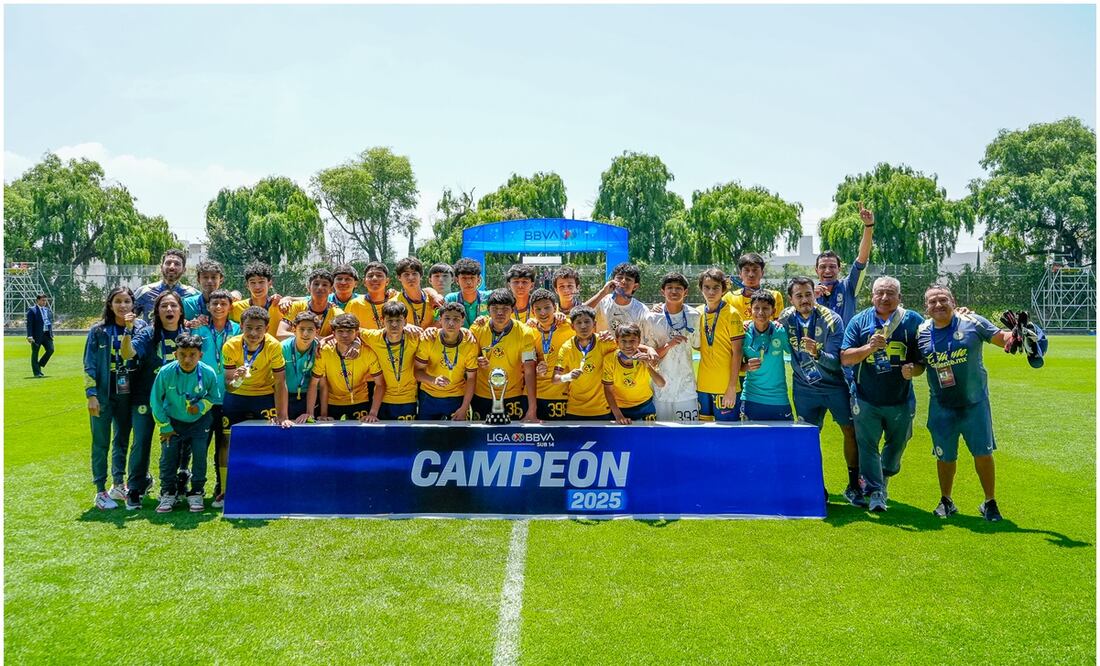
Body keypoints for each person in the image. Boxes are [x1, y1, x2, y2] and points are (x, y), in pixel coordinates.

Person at [917, 285, 1015, 522]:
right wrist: (913, 369)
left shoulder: (972, 321)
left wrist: (1016, 334)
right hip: (941, 405)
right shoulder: (920, 331)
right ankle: (946, 500)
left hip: (974, 404)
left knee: (982, 453)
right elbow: (920, 362)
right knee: (945, 456)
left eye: (943, 300)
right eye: (933, 302)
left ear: (953, 301)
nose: (938, 305)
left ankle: (990, 502)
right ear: (926, 307)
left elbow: (1003, 340)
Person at [841, 276, 925, 512]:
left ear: (900, 297)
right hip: (866, 397)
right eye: (880, 293)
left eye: (890, 293)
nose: (885, 298)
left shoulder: (913, 321)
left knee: (898, 443)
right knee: (867, 445)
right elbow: (845, 358)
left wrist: (914, 370)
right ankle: (877, 491)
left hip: (900, 398)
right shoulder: (859, 321)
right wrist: (869, 347)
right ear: (872, 296)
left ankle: (883, 475)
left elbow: (922, 360)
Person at [779, 277, 862, 504]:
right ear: (791, 299)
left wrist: (817, 354)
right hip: (804, 388)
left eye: (808, 294)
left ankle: (854, 485)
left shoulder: (832, 319)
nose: (805, 299)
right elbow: (765, 326)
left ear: (814, 294)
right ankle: (816, 486)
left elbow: (837, 362)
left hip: (835, 385)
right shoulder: (784, 319)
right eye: (799, 296)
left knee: (850, 431)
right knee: (808, 436)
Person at [220, 306, 294, 507]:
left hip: (263, 396)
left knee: (270, 439)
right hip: (237, 397)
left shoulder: (274, 346)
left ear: (267, 328)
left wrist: (283, 415)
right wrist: (236, 380)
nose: (253, 333)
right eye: (249, 328)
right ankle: (226, 489)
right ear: (241, 326)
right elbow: (229, 386)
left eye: (259, 328)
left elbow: (280, 383)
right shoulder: (230, 345)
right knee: (227, 441)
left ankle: (270, 484)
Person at [83, 287, 146, 509]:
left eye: (127, 301)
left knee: (122, 439)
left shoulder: (140, 328)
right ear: (110, 305)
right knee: (100, 441)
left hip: (127, 392)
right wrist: (91, 395)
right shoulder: (99, 331)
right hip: (103, 392)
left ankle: (118, 484)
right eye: (117, 301)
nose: (122, 306)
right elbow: (89, 364)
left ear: (133, 305)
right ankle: (100, 490)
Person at [149, 333, 222, 513]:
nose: (187, 359)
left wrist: (200, 406)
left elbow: (214, 396)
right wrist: (165, 426)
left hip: (199, 422)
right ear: (175, 354)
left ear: (200, 355)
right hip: (172, 422)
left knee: (199, 456)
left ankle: (196, 491)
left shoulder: (207, 372)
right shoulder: (165, 373)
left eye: (192, 355)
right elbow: (155, 401)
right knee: (168, 456)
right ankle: (168, 492)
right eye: (182, 354)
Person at [127, 290, 186, 510]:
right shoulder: (147, 333)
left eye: (173, 306)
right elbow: (129, 353)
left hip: (176, 401)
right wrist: (127, 333)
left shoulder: (186, 334)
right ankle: (135, 487)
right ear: (156, 311)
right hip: (146, 397)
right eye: (164, 306)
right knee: (141, 442)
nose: (169, 310)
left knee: (175, 445)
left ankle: (174, 485)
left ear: (180, 310)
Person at [191, 289, 240, 506]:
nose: (219, 307)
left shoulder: (239, 329)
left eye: (223, 304)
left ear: (230, 306)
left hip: (230, 396)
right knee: (200, 444)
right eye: (214, 304)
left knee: (225, 444)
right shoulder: (198, 330)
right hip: (205, 397)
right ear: (208, 307)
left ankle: (223, 488)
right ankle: (196, 489)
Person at [470, 289, 539, 422]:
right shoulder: (477, 329)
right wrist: (477, 359)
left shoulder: (526, 333)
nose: (500, 313)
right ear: (488, 310)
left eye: (505, 308)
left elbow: (529, 371)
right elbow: (469, 360)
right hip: (482, 394)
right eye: (495, 308)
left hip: (513, 394)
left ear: (513, 310)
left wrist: (532, 408)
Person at [644, 272, 702, 422]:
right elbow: (650, 355)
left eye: (678, 288)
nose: (674, 291)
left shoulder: (694, 315)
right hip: (661, 388)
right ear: (662, 291)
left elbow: (698, 345)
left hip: (686, 387)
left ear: (686, 292)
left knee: (688, 433)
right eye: (669, 288)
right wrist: (668, 345)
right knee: (660, 434)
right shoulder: (652, 318)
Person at [310, 313, 384, 422]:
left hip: (360, 402)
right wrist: (323, 413)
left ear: (356, 333)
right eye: (340, 331)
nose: (345, 335)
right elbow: (315, 383)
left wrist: (372, 413)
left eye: (349, 331)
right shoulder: (324, 351)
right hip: (332, 403)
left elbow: (380, 384)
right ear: (333, 333)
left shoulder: (368, 352)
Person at [414, 302, 479, 420]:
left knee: (456, 437)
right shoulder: (429, 338)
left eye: (456, 319)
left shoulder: (469, 342)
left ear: (463, 321)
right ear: (440, 319)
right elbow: (417, 372)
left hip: (456, 397)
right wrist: (433, 380)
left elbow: (471, 378)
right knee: (425, 436)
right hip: (428, 396)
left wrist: (464, 408)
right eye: (447, 318)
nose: (451, 323)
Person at [695, 268, 745, 422]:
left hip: (726, 388)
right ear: (700, 288)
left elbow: (737, 353)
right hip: (703, 386)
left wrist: (731, 388)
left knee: (727, 437)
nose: (711, 292)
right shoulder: (696, 313)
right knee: (703, 434)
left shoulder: (732, 314)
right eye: (707, 287)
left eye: (716, 287)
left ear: (723, 289)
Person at [359, 301, 421, 420]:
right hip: (382, 399)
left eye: (398, 320)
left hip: (408, 399)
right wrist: (331, 338)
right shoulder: (374, 337)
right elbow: (350, 330)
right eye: (389, 320)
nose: (394, 324)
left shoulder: (415, 337)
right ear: (382, 321)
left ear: (405, 321)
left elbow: (436, 335)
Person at [553, 306, 617, 421]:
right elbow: (555, 379)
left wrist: (648, 350)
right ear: (572, 326)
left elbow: (627, 351)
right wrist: (568, 376)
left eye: (587, 321)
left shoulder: (605, 342)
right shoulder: (567, 347)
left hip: (602, 409)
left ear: (594, 324)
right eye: (579, 322)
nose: (583, 326)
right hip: (574, 410)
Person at [816, 202, 875, 324]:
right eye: (823, 267)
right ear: (816, 270)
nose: (827, 270)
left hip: (845, 343)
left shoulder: (848, 286)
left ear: (839, 269)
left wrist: (868, 226)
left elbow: (862, 258)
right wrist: (811, 297)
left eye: (832, 266)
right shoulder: (810, 293)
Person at [740, 292, 794, 421]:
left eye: (765, 308)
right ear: (749, 310)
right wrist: (747, 366)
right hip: (751, 397)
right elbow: (736, 365)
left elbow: (795, 353)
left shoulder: (780, 331)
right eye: (756, 308)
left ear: (773, 311)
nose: (760, 312)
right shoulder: (743, 332)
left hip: (779, 398)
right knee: (750, 440)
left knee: (782, 440)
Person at [603, 323, 666, 424]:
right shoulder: (610, 359)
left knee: (648, 438)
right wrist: (618, 415)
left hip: (645, 406)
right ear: (617, 342)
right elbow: (608, 390)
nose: (628, 345)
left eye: (632, 341)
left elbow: (661, 383)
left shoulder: (646, 357)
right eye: (624, 341)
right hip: (620, 409)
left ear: (639, 341)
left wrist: (647, 365)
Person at [528, 288, 574, 420]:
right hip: (536, 396)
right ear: (532, 311)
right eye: (538, 309)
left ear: (555, 308)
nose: (542, 313)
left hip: (563, 395)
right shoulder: (529, 331)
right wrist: (536, 368)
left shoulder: (570, 326)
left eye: (547, 308)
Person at [133, 248, 199, 321]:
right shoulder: (144, 292)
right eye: (168, 263)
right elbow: (127, 317)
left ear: (184, 270)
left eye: (177, 264)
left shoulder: (193, 295)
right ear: (161, 267)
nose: (172, 267)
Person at [278, 269, 343, 339]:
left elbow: (341, 339)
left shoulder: (338, 314)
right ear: (308, 288)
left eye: (324, 285)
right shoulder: (296, 307)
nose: (320, 287)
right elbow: (280, 334)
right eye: (316, 284)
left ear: (331, 290)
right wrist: (313, 338)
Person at [723, 252, 785, 321]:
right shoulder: (728, 298)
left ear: (762, 273)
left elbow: (779, 326)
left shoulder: (774, 296)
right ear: (740, 274)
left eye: (755, 270)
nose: (751, 274)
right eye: (746, 270)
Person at [589, 262, 649, 333]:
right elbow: (579, 312)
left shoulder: (642, 310)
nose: (623, 281)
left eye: (628, 279)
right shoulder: (602, 301)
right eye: (619, 277)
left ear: (635, 286)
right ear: (612, 281)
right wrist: (603, 292)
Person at [283, 312, 320, 422]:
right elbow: (278, 382)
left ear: (317, 332)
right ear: (294, 329)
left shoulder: (320, 350)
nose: (305, 334)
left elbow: (321, 384)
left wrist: (310, 413)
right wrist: (282, 414)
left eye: (310, 330)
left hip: (310, 399)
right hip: (285, 397)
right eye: (301, 329)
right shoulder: (283, 348)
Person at [231, 261, 284, 336]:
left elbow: (305, 302)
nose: (257, 287)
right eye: (253, 282)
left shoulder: (281, 306)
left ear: (270, 283)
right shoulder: (234, 308)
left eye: (261, 282)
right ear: (247, 285)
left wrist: (290, 298)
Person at [345, 261, 393, 331]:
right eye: (370, 276)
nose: (374, 278)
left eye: (379, 275)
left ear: (387, 281)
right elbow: (345, 329)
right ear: (364, 282)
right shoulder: (354, 304)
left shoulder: (395, 301)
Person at [444, 258, 492, 327]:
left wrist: (488, 319)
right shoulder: (451, 299)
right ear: (457, 280)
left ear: (478, 280)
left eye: (472, 278)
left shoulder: (489, 297)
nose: (469, 282)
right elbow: (441, 322)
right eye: (464, 278)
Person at [392, 257, 437, 329]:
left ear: (421, 276)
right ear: (399, 277)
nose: (411, 277)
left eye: (414, 273)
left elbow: (443, 319)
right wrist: (404, 325)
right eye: (406, 274)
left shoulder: (433, 298)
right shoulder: (394, 303)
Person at [182, 259, 226, 327]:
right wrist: (189, 324)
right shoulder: (187, 304)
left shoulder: (228, 303)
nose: (209, 281)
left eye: (214, 277)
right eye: (205, 277)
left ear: (221, 280)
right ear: (198, 279)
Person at [26, 293, 55, 378]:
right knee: (35, 353)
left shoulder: (47, 310)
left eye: (45, 300)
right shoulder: (32, 310)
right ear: (37, 300)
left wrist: (51, 333)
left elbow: (49, 323)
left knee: (51, 349)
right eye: (42, 300)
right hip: (36, 336)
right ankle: (37, 373)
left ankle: (39, 364)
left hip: (46, 335)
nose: (44, 302)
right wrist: (29, 336)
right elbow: (29, 324)